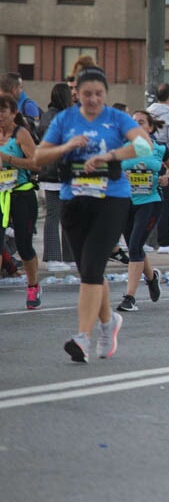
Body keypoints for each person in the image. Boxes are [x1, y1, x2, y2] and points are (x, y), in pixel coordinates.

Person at [35, 66, 152, 362]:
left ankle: (82, 337)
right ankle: (108, 322)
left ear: (106, 95)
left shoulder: (116, 119)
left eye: (99, 94)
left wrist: (110, 155)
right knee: (90, 270)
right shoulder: (65, 119)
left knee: (90, 269)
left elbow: (144, 146)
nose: (93, 99)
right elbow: (39, 156)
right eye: (87, 94)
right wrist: (67, 146)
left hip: (111, 200)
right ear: (77, 93)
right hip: (73, 200)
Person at [116, 110, 169, 311]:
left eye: (141, 122)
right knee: (133, 245)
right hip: (125, 202)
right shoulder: (121, 147)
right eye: (133, 122)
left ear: (150, 127)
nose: (136, 125)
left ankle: (129, 297)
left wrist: (167, 177)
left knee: (136, 246)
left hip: (150, 202)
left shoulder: (160, 149)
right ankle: (151, 277)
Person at [0, 94, 40, 308]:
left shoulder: (20, 134)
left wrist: (8, 159)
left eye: (2, 111)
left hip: (22, 194)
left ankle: (33, 286)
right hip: (0, 194)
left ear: (13, 114)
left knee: (24, 246)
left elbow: (36, 164)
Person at [36, 83, 75, 271]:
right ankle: (59, 257)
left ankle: (59, 257)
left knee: (58, 214)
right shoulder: (61, 117)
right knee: (58, 215)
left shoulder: (46, 115)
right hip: (59, 173)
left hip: (49, 171)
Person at [146, 82, 169, 255]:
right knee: (165, 204)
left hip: (145, 162)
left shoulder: (146, 113)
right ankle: (164, 242)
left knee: (145, 202)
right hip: (164, 163)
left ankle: (144, 240)